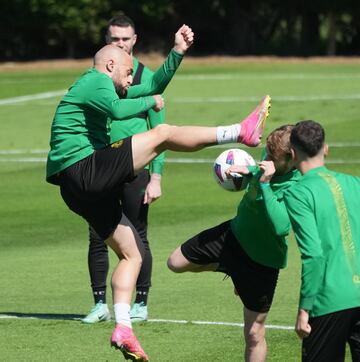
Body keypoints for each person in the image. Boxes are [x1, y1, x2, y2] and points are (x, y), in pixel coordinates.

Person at [46, 23, 271, 361]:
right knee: (163, 132)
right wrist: (151, 101)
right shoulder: (94, 81)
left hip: (75, 187)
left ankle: (123, 326)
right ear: (109, 65)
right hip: (83, 167)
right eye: (125, 73)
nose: (128, 80)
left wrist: (177, 51)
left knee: (131, 253)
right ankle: (240, 131)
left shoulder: (110, 83)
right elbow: (122, 109)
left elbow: (150, 82)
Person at [167, 125, 300, 362]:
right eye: (266, 155)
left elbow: (282, 228)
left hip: (262, 263)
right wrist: (249, 170)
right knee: (175, 262)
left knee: (253, 334)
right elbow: (262, 166)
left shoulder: (300, 186)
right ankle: (227, 267)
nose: (266, 159)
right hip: (234, 235)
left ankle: (236, 273)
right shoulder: (271, 156)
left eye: (272, 158)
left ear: (292, 159)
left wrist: (266, 184)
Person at [81, 14, 166, 325]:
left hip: (134, 167)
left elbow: (160, 129)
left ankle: (140, 303)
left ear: (134, 40)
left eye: (125, 39)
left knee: (137, 234)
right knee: (96, 234)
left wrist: (156, 176)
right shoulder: (97, 79)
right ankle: (99, 303)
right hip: (100, 164)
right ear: (107, 42)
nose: (120, 44)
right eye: (114, 39)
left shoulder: (147, 78)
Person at [284, 120, 360, 362]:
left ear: (293, 153)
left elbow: (313, 254)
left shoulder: (297, 193)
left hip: (329, 302)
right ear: (325, 148)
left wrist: (304, 309)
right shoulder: (355, 183)